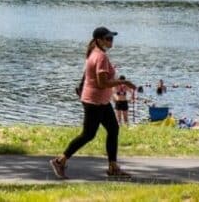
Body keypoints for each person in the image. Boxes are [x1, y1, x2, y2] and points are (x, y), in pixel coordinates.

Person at [50, 27, 136, 180]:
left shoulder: (94, 53)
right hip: (95, 101)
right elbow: (102, 83)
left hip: (100, 101)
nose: (111, 41)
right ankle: (59, 161)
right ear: (99, 40)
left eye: (112, 38)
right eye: (108, 38)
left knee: (113, 129)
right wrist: (124, 82)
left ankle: (113, 167)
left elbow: (94, 77)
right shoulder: (100, 56)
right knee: (88, 134)